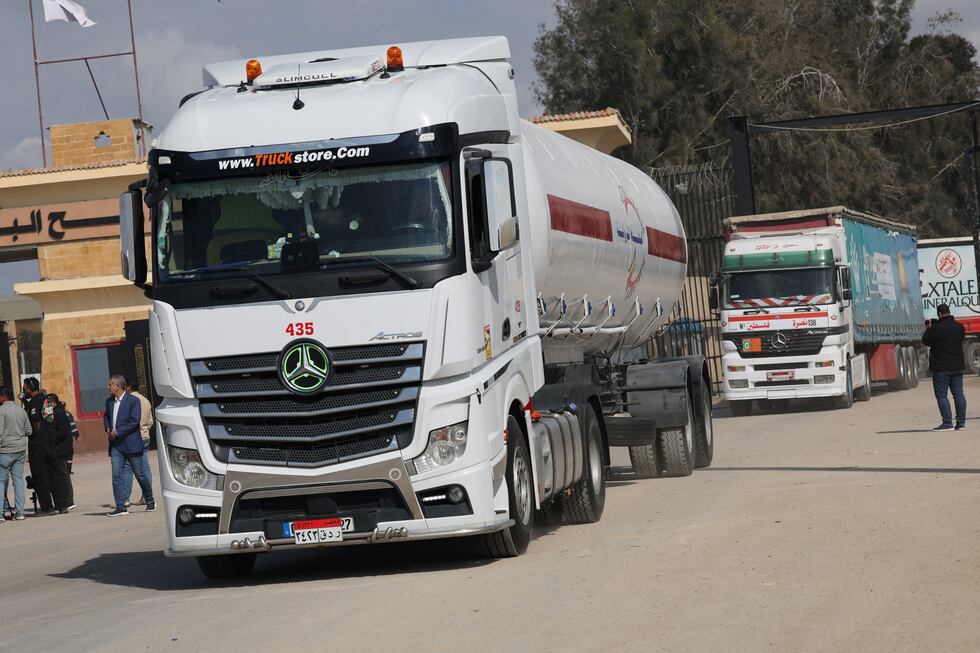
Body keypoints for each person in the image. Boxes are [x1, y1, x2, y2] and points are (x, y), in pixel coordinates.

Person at [104, 374, 154, 516]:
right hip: (116, 446)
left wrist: (118, 432)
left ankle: (150, 500)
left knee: (140, 474)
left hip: (131, 443)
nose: (108, 387)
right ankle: (121, 506)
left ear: (117, 387)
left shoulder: (133, 401)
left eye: (110, 385)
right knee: (116, 476)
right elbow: (106, 417)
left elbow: (134, 421)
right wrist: (107, 427)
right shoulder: (109, 402)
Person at [922, 303, 967, 431]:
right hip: (957, 366)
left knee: (942, 395)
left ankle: (947, 423)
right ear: (949, 311)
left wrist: (929, 328)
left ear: (939, 314)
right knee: (958, 394)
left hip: (941, 367)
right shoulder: (960, 327)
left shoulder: (936, 329)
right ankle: (961, 423)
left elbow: (925, 341)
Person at [22, 377, 57, 515]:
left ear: (30, 388)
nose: (24, 390)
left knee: (39, 474)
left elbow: (35, 421)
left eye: (25, 388)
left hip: (38, 443)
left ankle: (47, 507)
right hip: (49, 441)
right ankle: (61, 504)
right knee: (52, 473)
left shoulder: (36, 402)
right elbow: (48, 419)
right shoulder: (46, 399)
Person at [0, 385, 32, 521]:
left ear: (3, 396)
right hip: (19, 450)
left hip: (5, 450)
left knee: (1, 481)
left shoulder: (1, 411)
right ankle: (20, 512)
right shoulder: (21, 411)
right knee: (18, 480)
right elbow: (29, 431)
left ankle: (1, 513)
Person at [126, 381, 154, 506]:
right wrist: (144, 429)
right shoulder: (146, 400)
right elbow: (150, 421)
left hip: (133, 438)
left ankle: (125, 498)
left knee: (127, 467)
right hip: (144, 436)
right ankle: (147, 495)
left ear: (129, 387)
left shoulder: (128, 400)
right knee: (145, 466)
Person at [45, 394, 75, 511]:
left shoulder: (59, 413)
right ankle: (66, 499)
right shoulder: (56, 412)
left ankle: (68, 500)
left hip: (61, 449)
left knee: (63, 475)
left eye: (48, 403)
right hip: (60, 448)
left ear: (53, 402)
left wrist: (51, 439)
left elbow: (62, 431)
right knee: (62, 474)